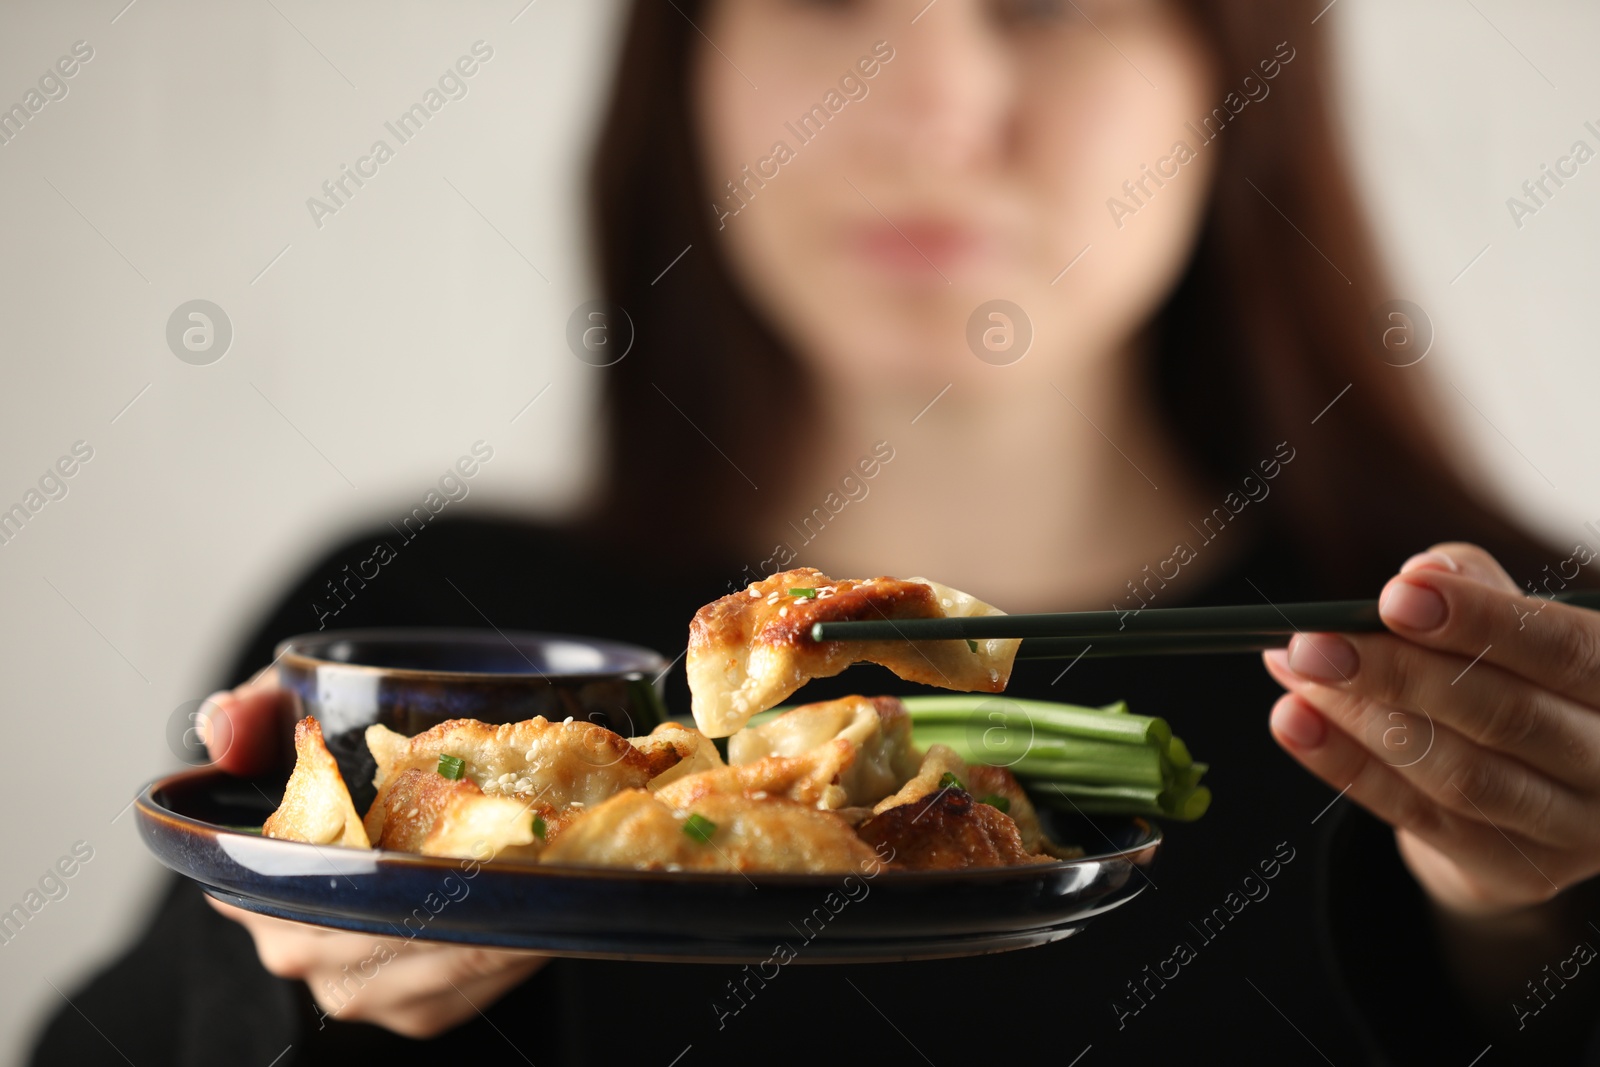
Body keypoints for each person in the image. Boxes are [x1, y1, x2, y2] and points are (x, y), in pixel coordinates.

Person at [33, 0, 1600, 1063]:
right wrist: (296, 973)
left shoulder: (1506, 666)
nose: (932, 105)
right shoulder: (418, 640)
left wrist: (1521, 927)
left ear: (1233, 65)